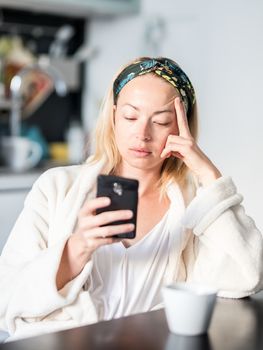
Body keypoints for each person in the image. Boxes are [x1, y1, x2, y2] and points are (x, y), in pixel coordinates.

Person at [0, 57, 263, 341]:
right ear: (113, 117)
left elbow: (246, 278)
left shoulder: (193, 205)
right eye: (130, 116)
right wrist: (77, 248)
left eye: (161, 121)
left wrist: (208, 174)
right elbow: (7, 299)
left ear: (181, 128)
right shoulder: (56, 188)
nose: (142, 134)